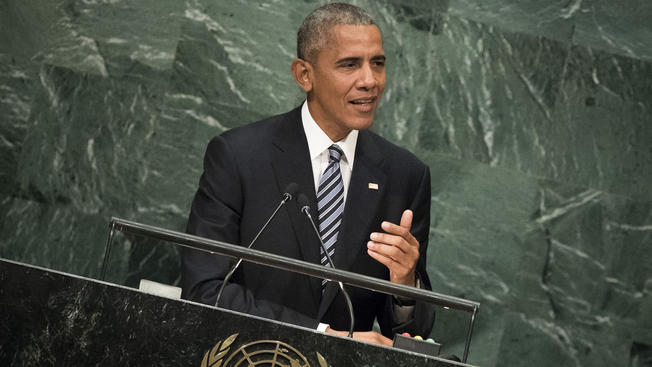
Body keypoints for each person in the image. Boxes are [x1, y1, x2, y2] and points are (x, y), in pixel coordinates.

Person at [181, 3, 434, 346]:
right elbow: (205, 289)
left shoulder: (406, 175)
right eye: (349, 65)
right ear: (304, 75)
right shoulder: (239, 156)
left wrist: (404, 285)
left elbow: (409, 334)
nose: (370, 81)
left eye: (378, 63)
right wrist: (324, 335)